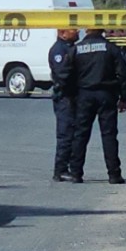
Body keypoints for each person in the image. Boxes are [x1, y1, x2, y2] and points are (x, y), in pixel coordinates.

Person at [55, 28, 126, 184]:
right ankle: (114, 174)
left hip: (84, 96)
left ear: (87, 30)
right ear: (101, 30)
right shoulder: (111, 48)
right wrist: (124, 97)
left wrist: (70, 95)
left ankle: (76, 173)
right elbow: (123, 74)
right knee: (109, 135)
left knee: (80, 135)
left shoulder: (76, 49)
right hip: (107, 95)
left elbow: (64, 74)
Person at [48, 28, 79, 182]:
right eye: (73, 29)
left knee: (74, 134)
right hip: (65, 97)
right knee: (65, 134)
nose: (78, 31)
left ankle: (69, 168)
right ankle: (60, 170)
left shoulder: (70, 48)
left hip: (72, 97)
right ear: (63, 33)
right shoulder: (59, 50)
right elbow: (62, 75)